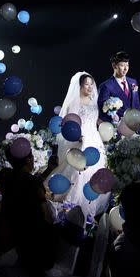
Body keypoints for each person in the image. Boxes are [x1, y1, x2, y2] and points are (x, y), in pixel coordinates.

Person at [47, 72, 109, 218]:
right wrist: (79, 136)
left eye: (91, 84)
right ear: (79, 86)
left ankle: (90, 205)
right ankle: (74, 205)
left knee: (96, 170)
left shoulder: (94, 100)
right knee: (79, 169)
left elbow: (94, 119)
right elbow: (71, 121)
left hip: (95, 138)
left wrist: (104, 122)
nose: (89, 87)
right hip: (81, 138)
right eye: (86, 84)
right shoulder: (74, 102)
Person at [97, 51, 140, 124]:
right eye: (122, 65)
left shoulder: (133, 82)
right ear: (114, 66)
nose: (125, 68)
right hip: (118, 126)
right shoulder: (106, 86)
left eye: (127, 65)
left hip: (134, 124)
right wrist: (113, 118)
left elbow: (136, 103)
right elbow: (102, 109)